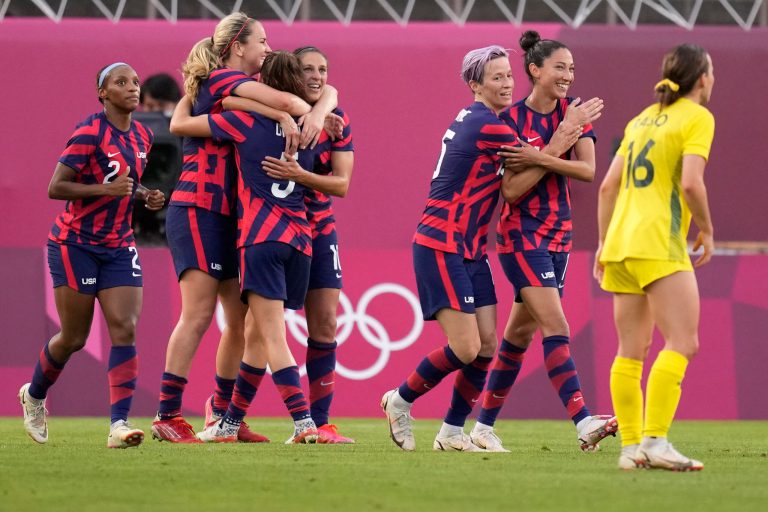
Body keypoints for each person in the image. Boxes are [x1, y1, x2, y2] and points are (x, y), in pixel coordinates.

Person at [151, 12, 338, 444]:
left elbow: (324, 91)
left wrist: (312, 107)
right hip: (200, 206)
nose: (268, 48)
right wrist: (292, 114)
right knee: (198, 313)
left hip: (232, 213)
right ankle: (167, 412)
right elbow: (293, 102)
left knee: (242, 321)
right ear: (237, 46)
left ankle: (221, 415)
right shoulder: (221, 82)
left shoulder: (230, 92)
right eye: (262, 40)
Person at [470, 30, 616, 453]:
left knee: (518, 336)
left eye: (572, 68)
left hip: (559, 235)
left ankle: (481, 427)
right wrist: (556, 147)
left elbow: (588, 171)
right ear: (534, 71)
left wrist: (538, 156)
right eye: (559, 67)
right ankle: (584, 421)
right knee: (557, 326)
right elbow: (512, 192)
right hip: (520, 236)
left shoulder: (575, 112)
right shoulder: (510, 121)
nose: (568, 75)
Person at [381, 45, 531, 452]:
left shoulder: (483, 119)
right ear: (474, 85)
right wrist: (569, 130)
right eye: (497, 77)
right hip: (441, 241)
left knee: (486, 344)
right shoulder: (488, 124)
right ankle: (399, 400)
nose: (507, 84)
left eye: (509, 76)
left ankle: (451, 432)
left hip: (469, 248)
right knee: (465, 347)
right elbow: (537, 159)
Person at [18, 62, 165, 448]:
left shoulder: (144, 135)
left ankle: (118, 425)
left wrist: (143, 195)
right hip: (75, 244)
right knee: (73, 337)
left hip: (118, 245)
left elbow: (124, 181)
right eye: (121, 82)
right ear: (103, 93)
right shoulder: (89, 132)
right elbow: (57, 187)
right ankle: (34, 395)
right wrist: (106, 191)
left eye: (135, 82)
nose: (132, 87)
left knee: (125, 327)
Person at [595, 44, 715, 471]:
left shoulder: (641, 119)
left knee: (630, 350)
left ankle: (631, 449)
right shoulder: (697, 116)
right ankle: (656, 440)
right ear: (702, 78)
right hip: (658, 242)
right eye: (711, 72)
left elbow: (608, 186)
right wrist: (707, 228)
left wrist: (602, 244)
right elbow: (691, 184)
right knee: (684, 342)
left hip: (621, 244)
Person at [253, 45, 355, 444]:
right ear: (292, 76)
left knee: (325, 323)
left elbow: (342, 185)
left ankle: (320, 422)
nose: (317, 75)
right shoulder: (265, 111)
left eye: (324, 69)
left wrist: (300, 175)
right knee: (256, 329)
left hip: (318, 228)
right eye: (308, 68)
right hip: (271, 229)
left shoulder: (338, 120)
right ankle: (224, 409)